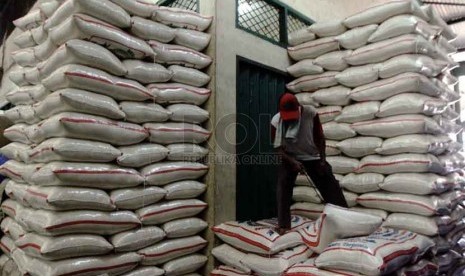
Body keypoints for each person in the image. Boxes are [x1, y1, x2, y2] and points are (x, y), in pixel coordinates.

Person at [271, 92, 348, 234]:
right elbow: (278, 150)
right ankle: (284, 225)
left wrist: (323, 161)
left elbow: (320, 138)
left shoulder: (310, 113)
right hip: (290, 156)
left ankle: (346, 219)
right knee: (283, 185)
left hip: (312, 155)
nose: (290, 120)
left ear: (299, 107)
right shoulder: (276, 121)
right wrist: (293, 162)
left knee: (330, 185)